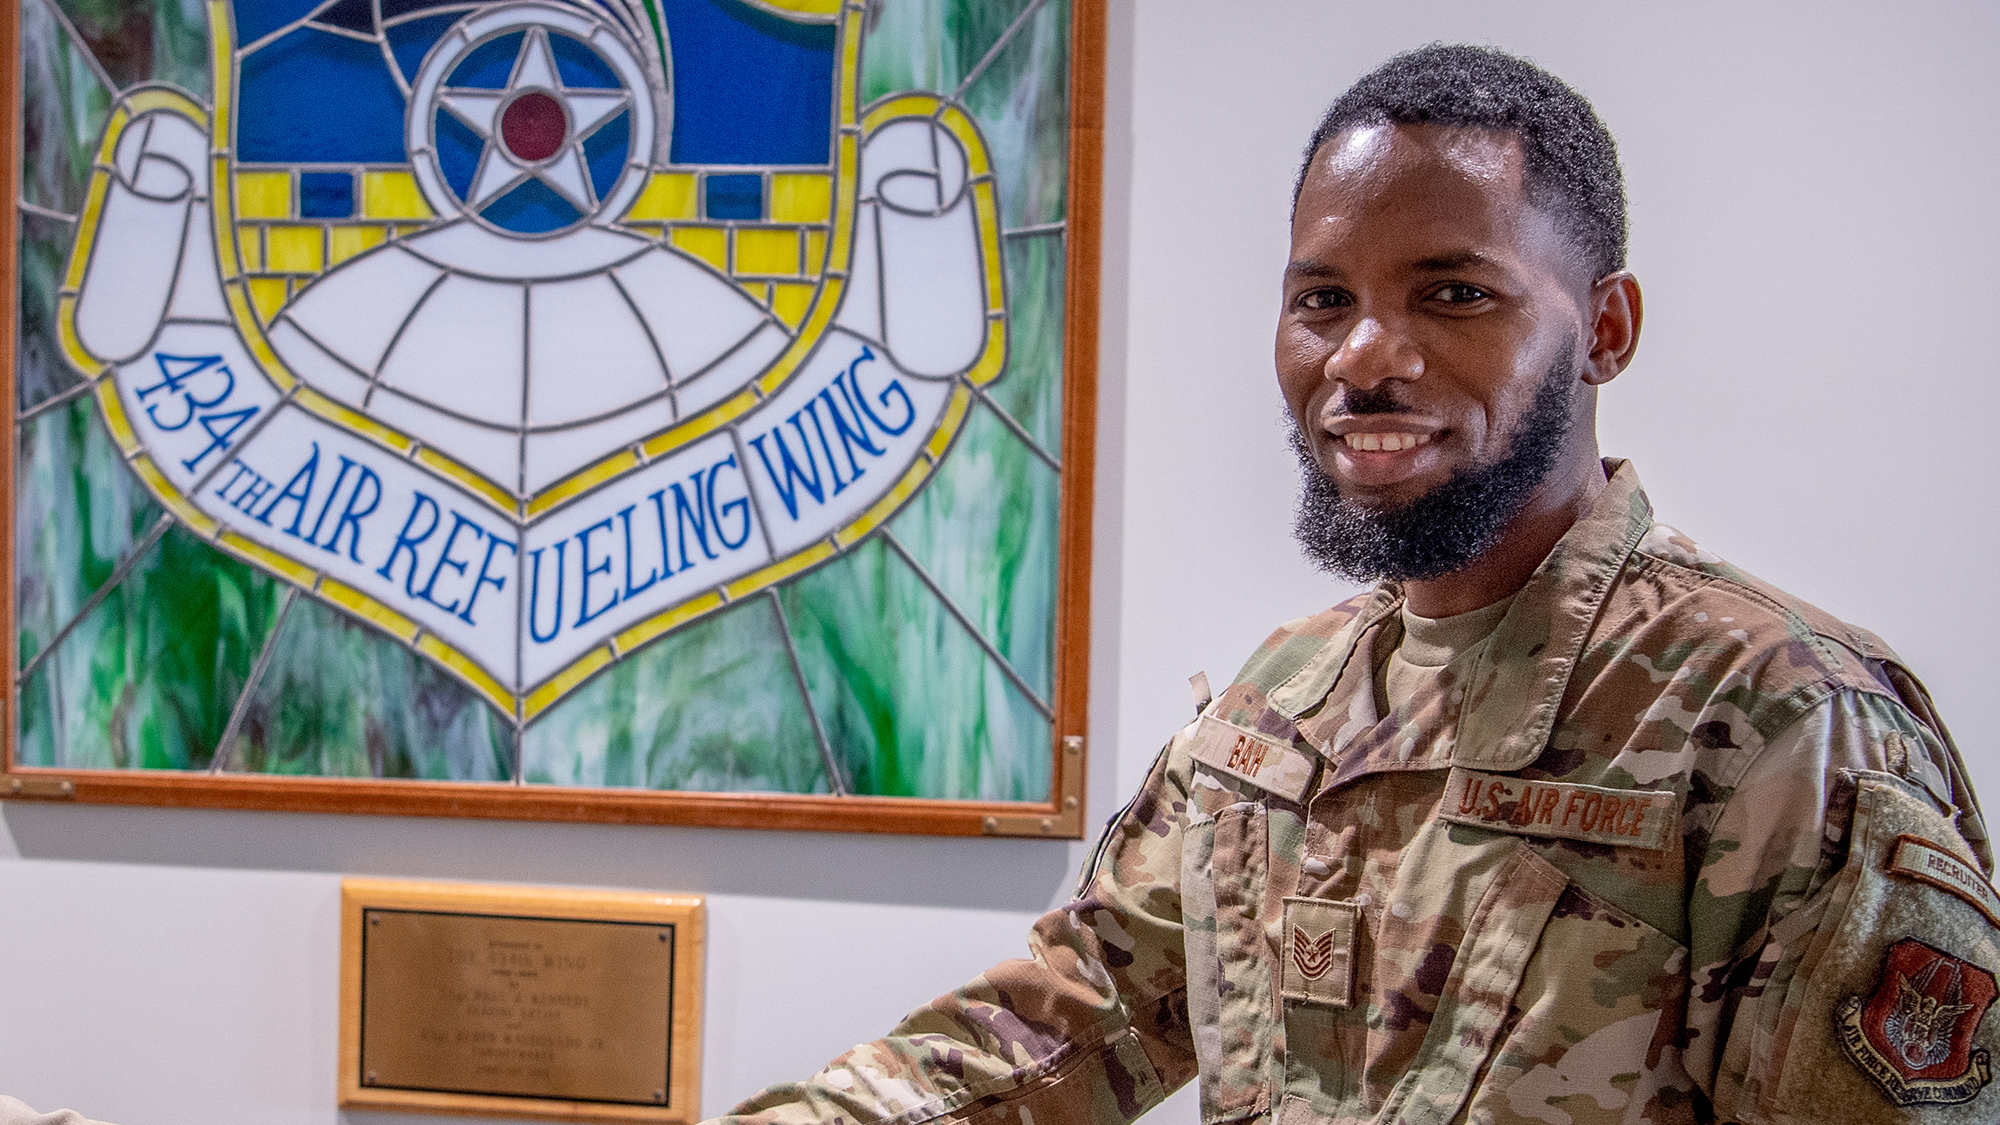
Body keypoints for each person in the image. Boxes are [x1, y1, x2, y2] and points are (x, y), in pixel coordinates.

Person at [711, 45, 1999, 1125]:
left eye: (1455, 294)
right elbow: (1051, 1034)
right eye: (1323, 299)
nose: (1365, 358)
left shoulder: (1783, 722)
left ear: (1604, 330)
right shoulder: (1281, 710)